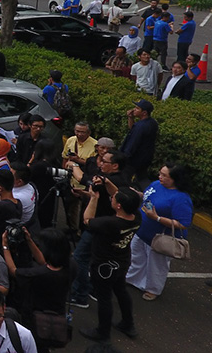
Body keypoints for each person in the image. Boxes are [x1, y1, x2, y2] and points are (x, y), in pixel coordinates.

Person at [79, 187, 142, 342]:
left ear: (119, 205)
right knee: (121, 290)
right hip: (122, 261)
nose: (112, 198)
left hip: (103, 266)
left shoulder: (109, 223)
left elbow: (87, 220)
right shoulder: (137, 217)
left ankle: (103, 332)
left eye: (114, 197)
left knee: (104, 298)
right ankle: (128, 324)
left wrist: (93, 198)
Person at [126, 164, 193, 301]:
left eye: (164, 175)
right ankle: (133, 279)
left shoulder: (181, 198)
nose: (159, 177)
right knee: (136, 257)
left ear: (175, 179)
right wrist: (138, 195)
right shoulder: (156, 184)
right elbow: (147, 197)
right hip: (142, 231)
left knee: (156, 265)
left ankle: (153, 288)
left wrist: (157, 218)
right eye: (160, 173)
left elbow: (182, 224)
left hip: (160, 237)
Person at [2, 227, 72, 351]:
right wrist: (29, 241)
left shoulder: (38, 274)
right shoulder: (70, 268)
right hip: (57, 316)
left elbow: (14, 271)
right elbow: (43, 261)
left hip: (35, 320)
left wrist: (5, 246)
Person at [121, 99, 158, 181]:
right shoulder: (152, 122)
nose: (134, 109)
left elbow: (133, 143)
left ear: (144, 113)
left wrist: (124, 157)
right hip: (145, 158)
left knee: (126, 179)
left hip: (134, 159)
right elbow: (133, 130)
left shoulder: (140, 126)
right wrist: (130, 117)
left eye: (137, 108)